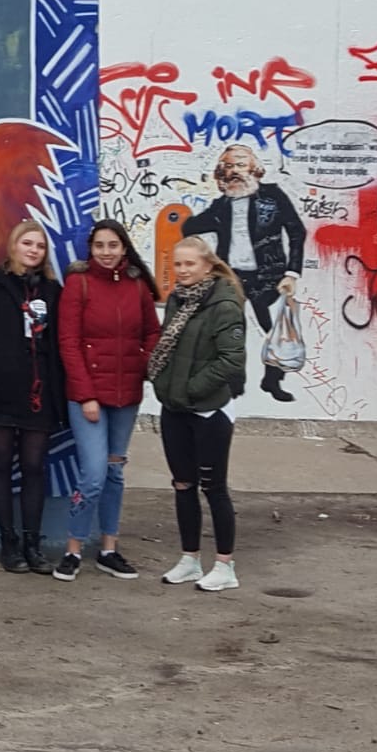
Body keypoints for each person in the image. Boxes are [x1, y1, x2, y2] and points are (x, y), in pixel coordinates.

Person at [54, 219, 161, 583]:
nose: (106, 252)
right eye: (100, 245)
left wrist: (141, 363)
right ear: (91, 248)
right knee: (94, 475)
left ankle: (109, 549)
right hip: (89, 399)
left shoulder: (137, 287)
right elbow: (68, 343)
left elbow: (152, 332)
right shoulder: (77, 284)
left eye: (112, 245)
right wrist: (86, 394)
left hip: (126, 396)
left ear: (124, 247)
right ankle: (72, 550)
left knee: (115, 473)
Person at [150, 236, 246, 593]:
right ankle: (190, 559)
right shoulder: (178, 300)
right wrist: (166, 386)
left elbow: (232, 360)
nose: (183, 271)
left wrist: (190, 389)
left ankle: (225, 564)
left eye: (190, 264)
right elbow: (167, 348)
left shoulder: (224, 304)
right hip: (175, 409)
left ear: (208, 265)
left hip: (209, 410)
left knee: (213, 487)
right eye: (177, 264)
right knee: (182, 485)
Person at [0, 220, 64, 574]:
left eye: (39, 246)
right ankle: (9, 542)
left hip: (38, 395)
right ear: (13, 245)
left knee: (35, 467)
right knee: (0, 463)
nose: (33, 250)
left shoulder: (53, 292)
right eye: (27, 243)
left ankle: (33, 542)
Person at [181, 145, 306, 401]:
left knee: (273, 330)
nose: (234, 171)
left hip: (270, 276)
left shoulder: (273, 196)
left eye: (240, 164)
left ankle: (272, 381)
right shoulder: (221, 205)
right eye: (228, 166)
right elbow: (189, 228)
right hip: (232, 277)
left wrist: (291, 273)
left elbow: (297, 231)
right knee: (231, 332)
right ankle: (235, 384)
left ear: (254, 169)